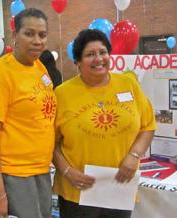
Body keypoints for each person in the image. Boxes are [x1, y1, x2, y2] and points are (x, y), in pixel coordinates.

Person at [52, 29, 156, 218]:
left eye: (103, 52)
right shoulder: (62, 94)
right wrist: (67, 171)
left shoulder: (128, 84)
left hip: (119, 187)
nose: (98, 58)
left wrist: (134, 156)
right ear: (77, 61)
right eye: (90, 54)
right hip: (78, 191)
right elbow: (51, 143)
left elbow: (148, 126)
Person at [0, 8, 57, 218]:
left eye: (42, 35)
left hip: (40, 169)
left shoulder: (40, 68)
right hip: (13, 173)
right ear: (15, 35)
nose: (37, 41)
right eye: (29, 33)